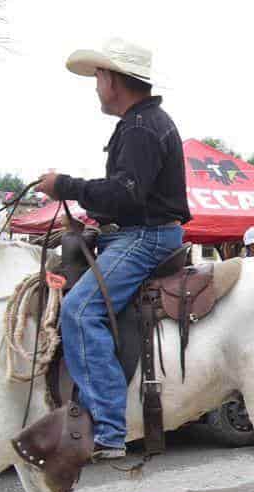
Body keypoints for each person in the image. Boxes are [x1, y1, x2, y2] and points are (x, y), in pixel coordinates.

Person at [30, 38, 189, 459]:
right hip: (140, 233)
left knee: (79, 311)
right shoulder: (142, 123)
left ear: (113, 79)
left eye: (98, 77)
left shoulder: (140, 127)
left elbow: (127, 194)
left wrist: (65, 186)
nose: (96, 86)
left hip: (145, 237)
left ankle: (108, 428)